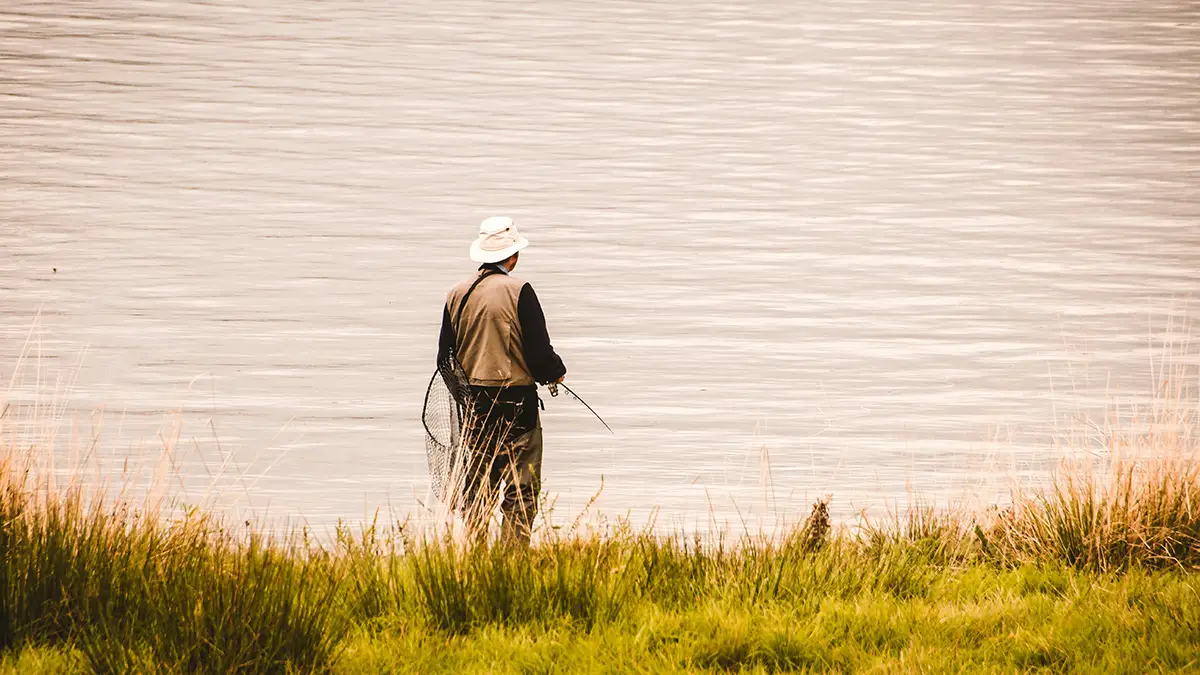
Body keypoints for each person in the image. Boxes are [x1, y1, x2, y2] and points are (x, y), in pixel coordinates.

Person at [436, 216, 566, 545]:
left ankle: (476, 563)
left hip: (476, 410)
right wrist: (556, 372)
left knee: (478, 492)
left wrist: (467, 398)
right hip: (518, 408)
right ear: (513, 256)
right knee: (521, 493)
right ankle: (513, 567)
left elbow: (444, 359)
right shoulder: (520, 291)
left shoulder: (457, 293)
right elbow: (540, 357)